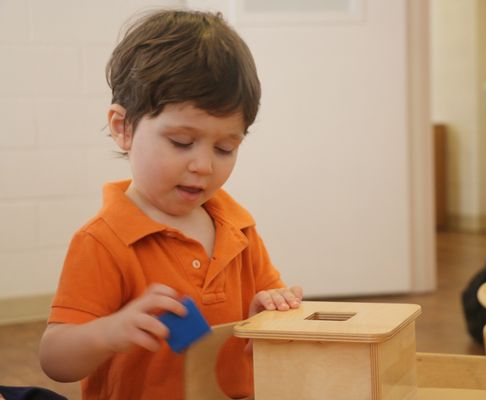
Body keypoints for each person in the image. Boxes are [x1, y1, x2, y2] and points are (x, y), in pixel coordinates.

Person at [38, 9, 302, 400]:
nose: (203, 165)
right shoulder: (103, 241)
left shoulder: (238, 228)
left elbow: (269, 305)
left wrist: (271, 310)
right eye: (181, 142)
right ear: (122, 129)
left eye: (225, 148)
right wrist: (109, 331)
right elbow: (55, 360)